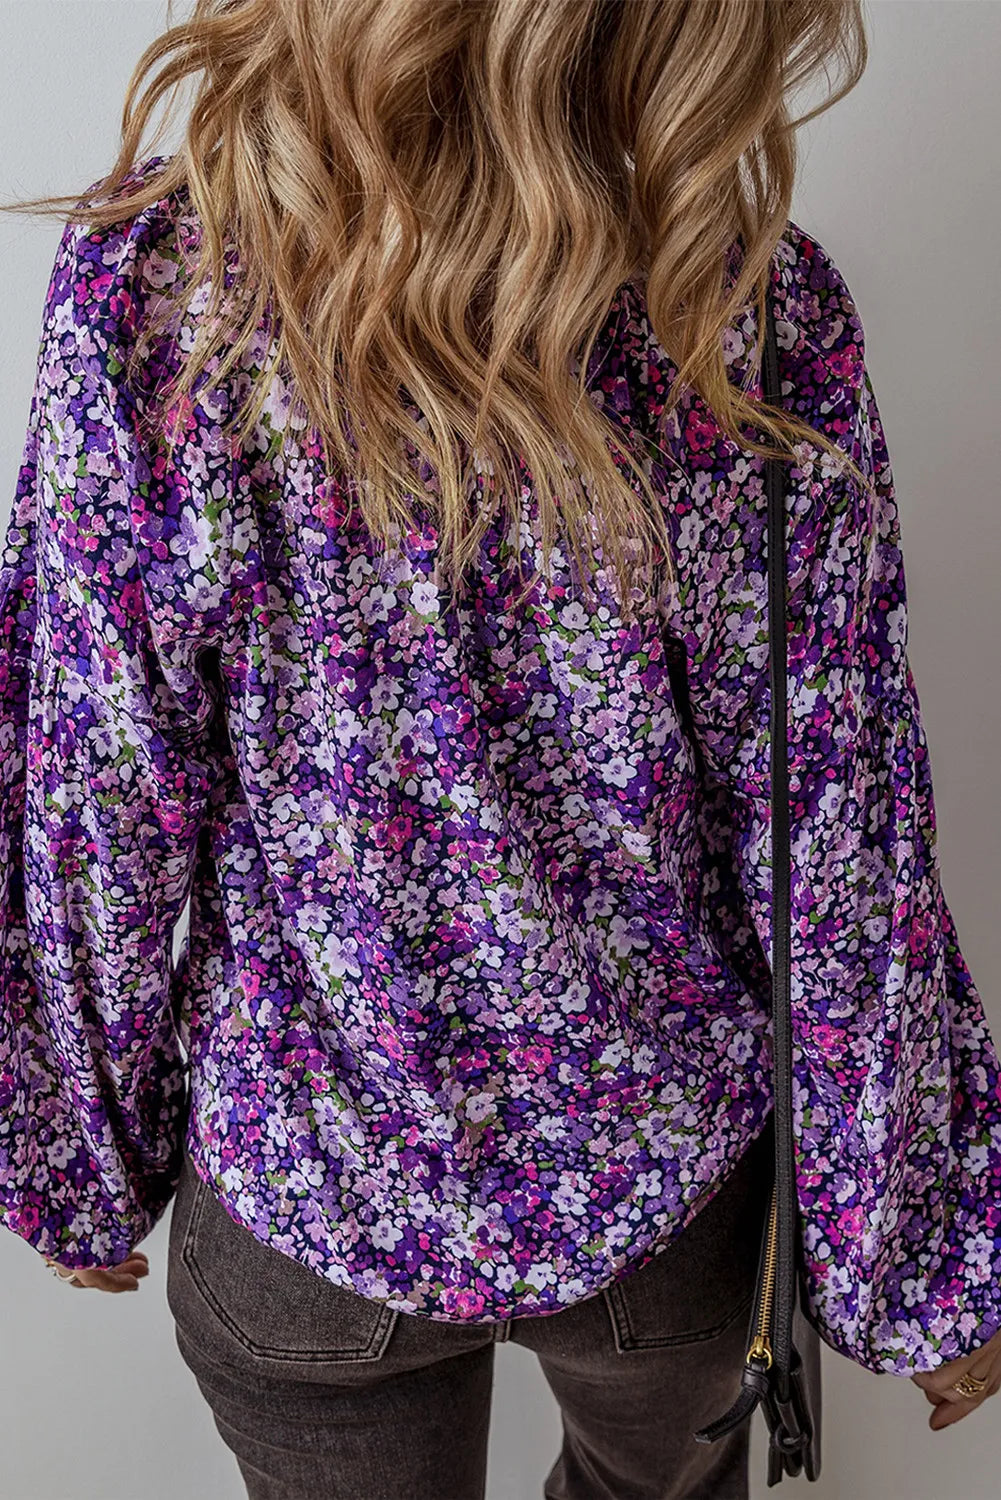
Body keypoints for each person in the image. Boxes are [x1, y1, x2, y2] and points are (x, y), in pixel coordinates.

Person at [2, 1, 1001, 1496]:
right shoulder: (746, 314)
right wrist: (917, 1261)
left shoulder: (153, 298)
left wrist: (75, 1161)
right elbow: (834, 852)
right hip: (659, 1201)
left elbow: (98, 792)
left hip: (309, 1186)